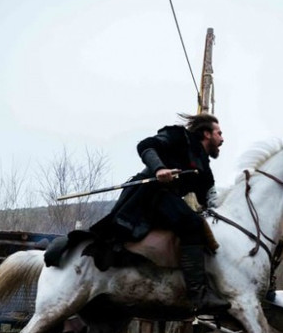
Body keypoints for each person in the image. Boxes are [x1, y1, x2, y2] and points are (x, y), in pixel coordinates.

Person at [90, 113, 229, 314]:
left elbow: (208, 196)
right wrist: (159, 168)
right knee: (191, 223)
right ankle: (198, 294)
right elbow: (145, 145)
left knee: (200, 223)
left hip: (167, 200)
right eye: (219, 133)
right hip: (147, 195)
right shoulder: (178, 136)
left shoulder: (203, 165)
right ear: (207, 134)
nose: (222, 139)